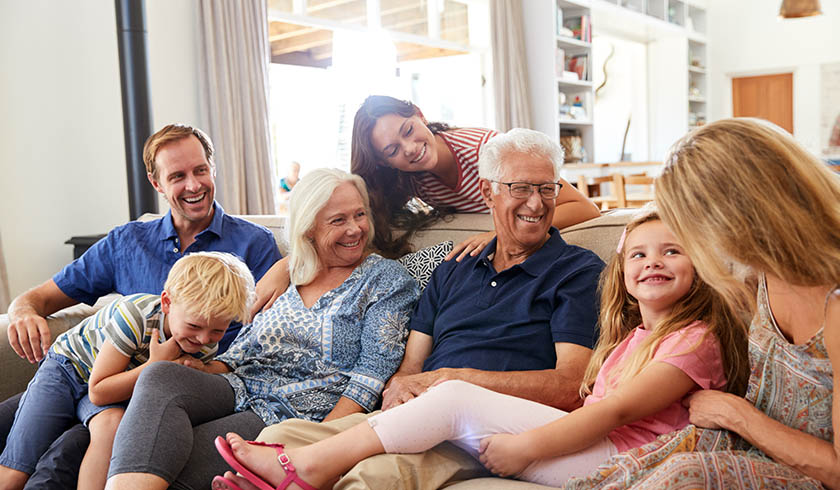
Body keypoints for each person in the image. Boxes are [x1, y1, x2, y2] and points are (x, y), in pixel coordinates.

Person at [210, 206, 750, 489]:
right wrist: (291, 262)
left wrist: (526, 446)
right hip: (563, 435)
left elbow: (605, 408)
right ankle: (299, 459)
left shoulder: (689, 337)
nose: (652, 262)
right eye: (637, 255)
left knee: (452, 401)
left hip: (619, 462)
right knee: (282, 431)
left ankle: (304, 469)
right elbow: (405, 328)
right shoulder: (454, 264)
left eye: (671, 251)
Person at [236, 128, 606, 489]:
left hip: (488, 426)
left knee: (372, 478)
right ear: (487, 193)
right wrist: (401, 389)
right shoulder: (455, 267)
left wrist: (450, 380)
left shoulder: (577, 271)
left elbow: (570, 386)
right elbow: (411, 366)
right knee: (279, 436)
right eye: (520, 188)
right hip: (422, 411)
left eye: (546, 188)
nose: (536, 203)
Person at [562, 118, 840, 489]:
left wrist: (737, 415)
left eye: (695, 230)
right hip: (748, 446)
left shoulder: (834, 305)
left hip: (808, 470)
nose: (701, 247)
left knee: (682, 475)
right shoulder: (757, 276)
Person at [0, 123, 281, 490]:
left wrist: (288, 267)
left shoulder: (255, 246)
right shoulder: (127, 241)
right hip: (89, 371)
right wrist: (23, 310)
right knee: (9, 419)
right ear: (157, 183)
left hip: (150, 398)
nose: (194, 185)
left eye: (200, 170)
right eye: (177, 176)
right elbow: (41, 297)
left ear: (213, 169)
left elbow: (266, 343)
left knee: (66, 449)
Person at [103, 168, 420, 490]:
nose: (355, 229)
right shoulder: (291, 271)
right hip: (238, 383)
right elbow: (245, 344)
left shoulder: (386, 281)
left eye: (360, 215)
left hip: (291, 410)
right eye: (338, 220)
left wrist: (321, 443)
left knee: (179, 458)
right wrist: (204, 369)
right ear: (308, 228)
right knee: (160, 376)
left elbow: (372, 374)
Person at [249, 97, 602, 316]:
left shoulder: (485, 149)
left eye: (407, 129)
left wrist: (495, 233)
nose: (410, 148)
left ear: (419, 114)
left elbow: (583, 207)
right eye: (392, 151)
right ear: (387, 163)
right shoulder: (410, 177)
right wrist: (289, 263)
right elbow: (346, 223)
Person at [0, 252, 255, 490]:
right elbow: (99, 391)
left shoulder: (205, 343)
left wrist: (199, 369)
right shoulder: (135, 316)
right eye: (194, 325)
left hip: (115, 387)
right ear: (167, 303)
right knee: (15, 474)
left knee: (112, 425)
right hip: (70, 370)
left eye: (217, 331)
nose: (203, 338)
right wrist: (155, 366)